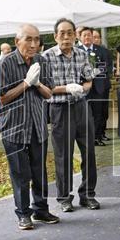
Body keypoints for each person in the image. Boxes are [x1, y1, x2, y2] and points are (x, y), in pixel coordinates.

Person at [0, 24, 60, 230]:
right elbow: (3, 98)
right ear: (17, 41)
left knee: (39, 171)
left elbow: (50, 93)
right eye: (28, 39)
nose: (33, 44)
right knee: (20, 173)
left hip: (37, 125)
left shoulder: (42, 61)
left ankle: (41, 209)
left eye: (36, 40)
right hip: (14, 127)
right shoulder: (6, 63)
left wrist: (37, 84)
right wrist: (26, 83)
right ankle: (23, 213)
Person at [43, 18, 99, 212]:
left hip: (81, 107)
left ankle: (88, 195)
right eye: (62, 33)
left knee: (89, 152)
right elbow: (44, 88)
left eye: (69, 33)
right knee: (63, 155)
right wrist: (65, 88)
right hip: (59, 110)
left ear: (75, 35)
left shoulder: (82, 55)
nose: (66, 37)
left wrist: (82, 88)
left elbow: (89, 80)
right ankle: (64, 197)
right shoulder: (46, 57)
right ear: (55, 36)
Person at [78, 27, 113, 145]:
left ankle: (97, 137)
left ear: (93, 37)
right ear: (80, 37)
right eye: (84, 35)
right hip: (83, 87)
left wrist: (96, 71)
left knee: (98, 113)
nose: (87, 37)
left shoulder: (101, 50)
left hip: (99, 86)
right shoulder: (76, 51)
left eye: (89, 35)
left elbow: (107, 66)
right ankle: (86, 137)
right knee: (85, 114)